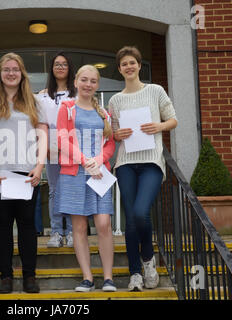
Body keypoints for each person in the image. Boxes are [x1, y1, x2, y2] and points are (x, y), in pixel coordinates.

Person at [0, 53, 48, 294]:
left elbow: (43, 136)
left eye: (15, 69)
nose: (11, 73)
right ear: (0, 73)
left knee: (27, 225)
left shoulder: (35, 101)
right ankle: (5, 276)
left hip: (28, 173)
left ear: (22, 73)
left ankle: (29, 277)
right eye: (6, 69)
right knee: (3, 224)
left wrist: (39, 166)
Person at [109, 46, 178, 291]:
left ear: (139, 65)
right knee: (131, 221)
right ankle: (135, 273)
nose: (129, 67)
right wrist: (117, 134)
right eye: (124, 64)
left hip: (151, 162)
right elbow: (115, 133)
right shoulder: (115, 100)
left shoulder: (155, 90)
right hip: (126, 163)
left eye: (132, 63)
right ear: (119, 69)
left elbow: (173, 119)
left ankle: (148, 260)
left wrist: (158, 127)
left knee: (140, 213)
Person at [55, 65, 116, 292]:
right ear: (76, 82)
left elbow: (110, 143)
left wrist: (98, 159)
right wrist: (84, 160)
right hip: (74, 173)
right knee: (79, 227)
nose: (88, 84)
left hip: (99, 172)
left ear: (97, 85)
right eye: (84, 80)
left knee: (103, 224)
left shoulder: (104, 113)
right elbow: (62, 139)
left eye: (92, 81)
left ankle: (108, 277)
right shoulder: (67, 108)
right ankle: (88, 278)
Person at [39, 52, 76, 248]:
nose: (60, 67)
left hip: (72, 146)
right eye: (56, 64)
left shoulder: (76, 93)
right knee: (54, 190)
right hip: (51, 146)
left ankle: (71, 232)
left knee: (70, 188)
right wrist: (44, 146)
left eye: (64, 64)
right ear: (52, 69)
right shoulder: (43, 95)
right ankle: (56, 232)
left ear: (69, 68)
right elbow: (39, 123)